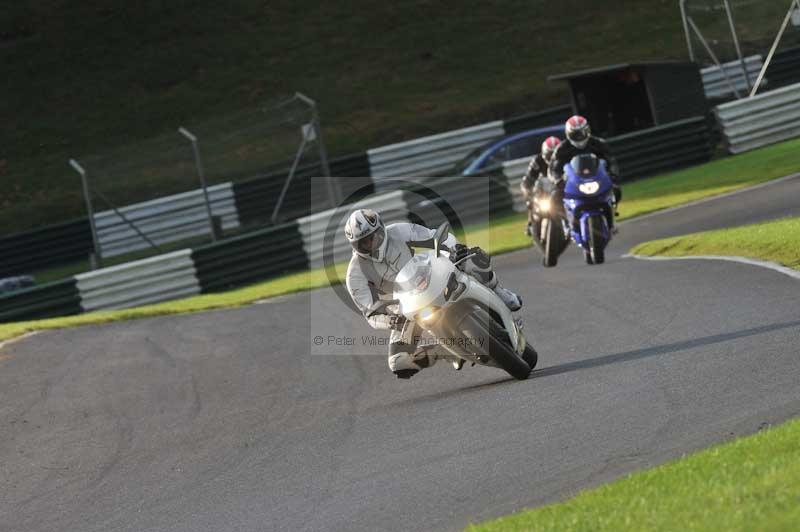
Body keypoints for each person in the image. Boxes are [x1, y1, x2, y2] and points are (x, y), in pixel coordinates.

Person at [344, 208, 522, 379]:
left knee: (471, 258)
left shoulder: (399, 231)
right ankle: (444, 353)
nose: (370, 244)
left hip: (429, 277)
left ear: (381, 229)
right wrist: (391, 320)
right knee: (399, 362)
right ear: (355, 245)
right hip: (406, 310)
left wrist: (454, 249)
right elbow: (370, 313)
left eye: (372, 237)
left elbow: (435, 236)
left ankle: (500, 292)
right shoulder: (355, 274)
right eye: (363, 242)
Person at [549, 115, 622, 209]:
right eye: (575, 134)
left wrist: (613, 174)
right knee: (554, 197)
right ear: (568, 134)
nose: (579, 136)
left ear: (588, 131)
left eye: (582, 133)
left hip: (596, 179)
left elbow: (611, 160)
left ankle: (610, 208)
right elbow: (554, 168)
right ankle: (564, 218)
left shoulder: (598, 143)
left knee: (616, 189)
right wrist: (558, 180)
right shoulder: (562, 149)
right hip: (573, 183)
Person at [520, 136, 561, 237]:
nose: (552, 158)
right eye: (550, 154)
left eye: (555, 154)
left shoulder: (565, 159)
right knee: (530, 202)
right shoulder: (537, 161)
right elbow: (528, 179)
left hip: (560, 190)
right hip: (544, 192)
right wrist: (527, 191)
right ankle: (530, 222)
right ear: (544, 154)